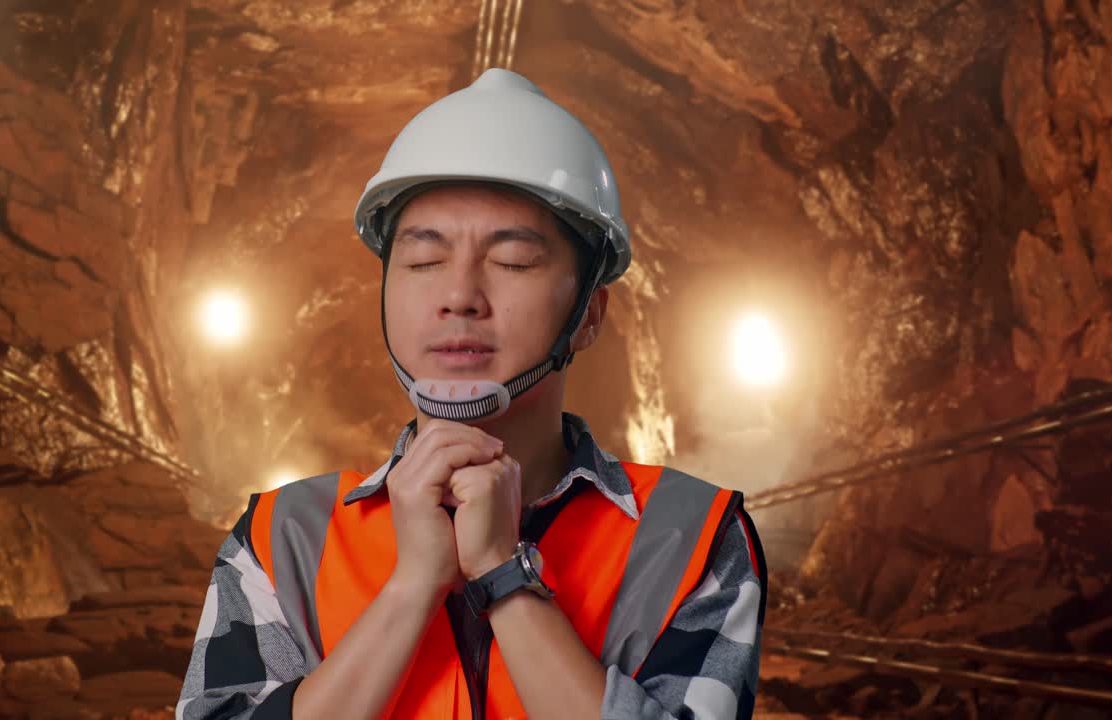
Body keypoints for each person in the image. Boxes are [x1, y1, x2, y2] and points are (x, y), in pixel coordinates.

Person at [177, 68, 767, 720]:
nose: (459, 296)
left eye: (513, 261)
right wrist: (411, 588)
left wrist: (503, 574)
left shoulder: (689, 536)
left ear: (591, 314)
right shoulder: (282, 537)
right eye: (423, 261)